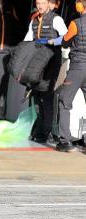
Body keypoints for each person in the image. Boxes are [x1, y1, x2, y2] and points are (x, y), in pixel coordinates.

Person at [23, 0, 67, 143]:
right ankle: (40, 130)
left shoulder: (56, 19)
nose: (40, 6)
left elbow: (67, 38)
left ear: (49, 4)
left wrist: (52, 42)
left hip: (51, 62)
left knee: (47, 97)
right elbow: (28, 41)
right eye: (37, 3)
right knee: (37, 96)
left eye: (43, 3)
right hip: (37, 64)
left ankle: (47, 131)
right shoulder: (34, 21)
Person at [54, 0, 86, 152]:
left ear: (81, 6)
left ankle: (65, 141)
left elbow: (65, 42)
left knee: (64, 102)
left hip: (78, 68)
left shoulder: (76, 23)